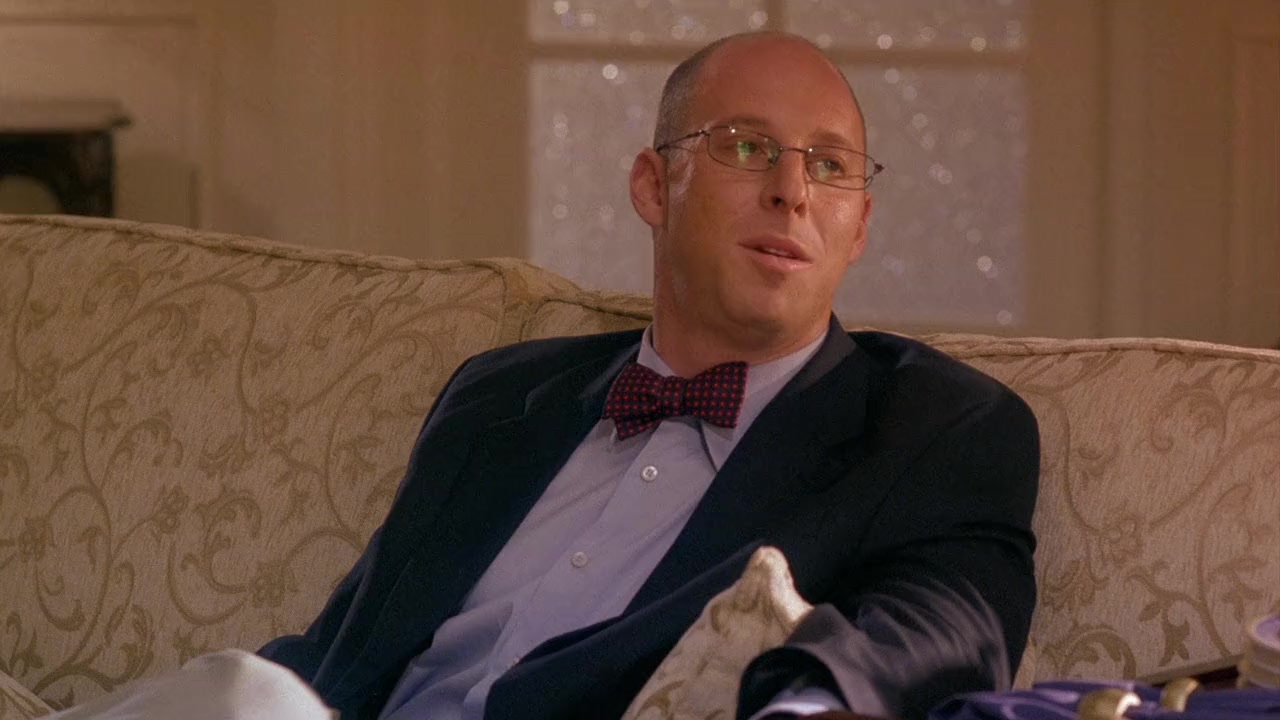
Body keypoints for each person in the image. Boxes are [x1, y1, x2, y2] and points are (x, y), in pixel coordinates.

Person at [49, 30, 1039, 720]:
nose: (792, 191)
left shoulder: (932, 424)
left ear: (859, 226)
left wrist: (812, 707)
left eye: (829, 166)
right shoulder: (496, 397)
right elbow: (345, 648)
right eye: (747, 147)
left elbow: (944, 628)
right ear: (653, 185)